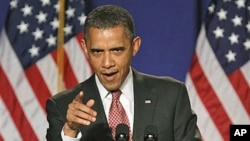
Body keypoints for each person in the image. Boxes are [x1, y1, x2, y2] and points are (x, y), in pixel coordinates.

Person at [46, 4, 201, 141]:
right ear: (85, 49)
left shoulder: (171, 96)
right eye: (97, 52)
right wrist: (70, 131)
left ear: (135, 46)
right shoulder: (62, 107)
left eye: (116, 50)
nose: (107, 63)